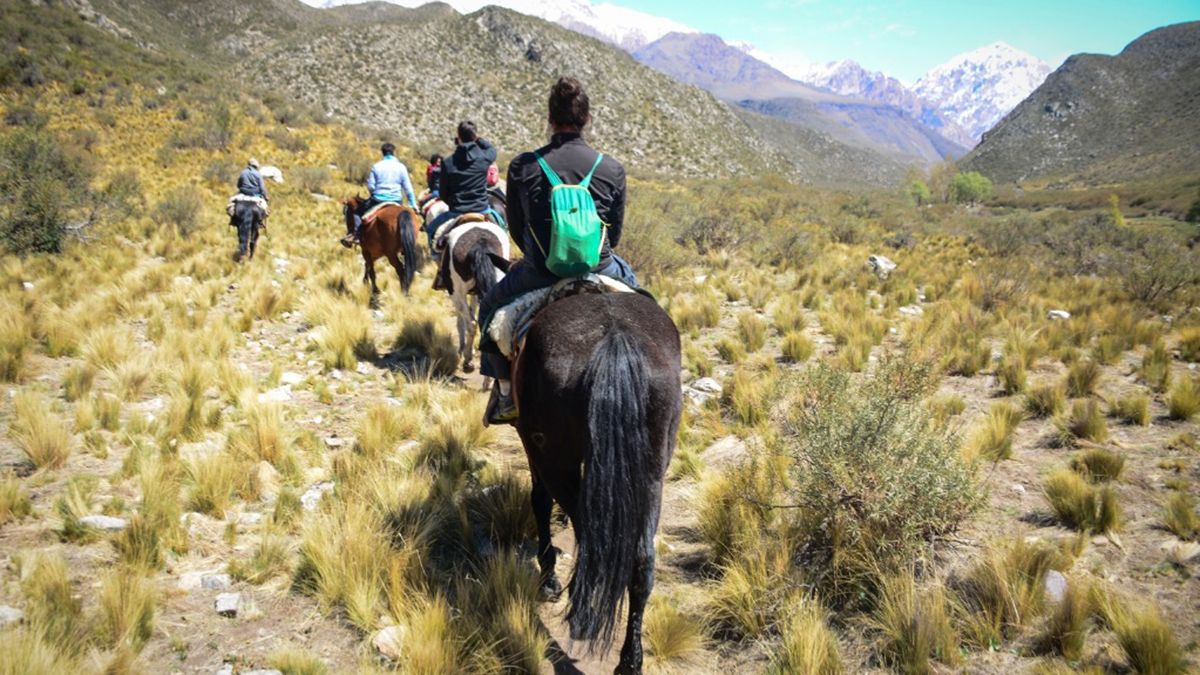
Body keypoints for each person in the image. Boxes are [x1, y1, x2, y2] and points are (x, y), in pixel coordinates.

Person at [477, 76, 638, 425]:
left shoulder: (523, 166)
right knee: (645, 303)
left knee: (489, 308)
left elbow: (517, 229)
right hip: (600, 266)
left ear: (550, 119)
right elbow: (616, 231)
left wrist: (541, 254)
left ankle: (505, 395)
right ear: (588, 119)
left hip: (540, 270)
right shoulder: (611, 168)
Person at [424, 121, 497, 249]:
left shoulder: (448, 163)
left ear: (458, 137)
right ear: (475, 136)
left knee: (430, 230)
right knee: (502, 227)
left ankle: (438, 260)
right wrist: (478, 139)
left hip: (458, 211)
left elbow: (443, 194)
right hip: (482, 209)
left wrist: (453, 203)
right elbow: (491, 149)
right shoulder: (485, 158)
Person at [342, 142, 417, 247]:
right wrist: (412, 204)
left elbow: (371, 186)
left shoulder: (376, 166)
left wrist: (374, 193)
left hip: (378, 199)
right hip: (396, 200)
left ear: (383, 153)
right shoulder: (401, 167)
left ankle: (356, 235)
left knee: (357, 211)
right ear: (393, 153)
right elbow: (408, 188)